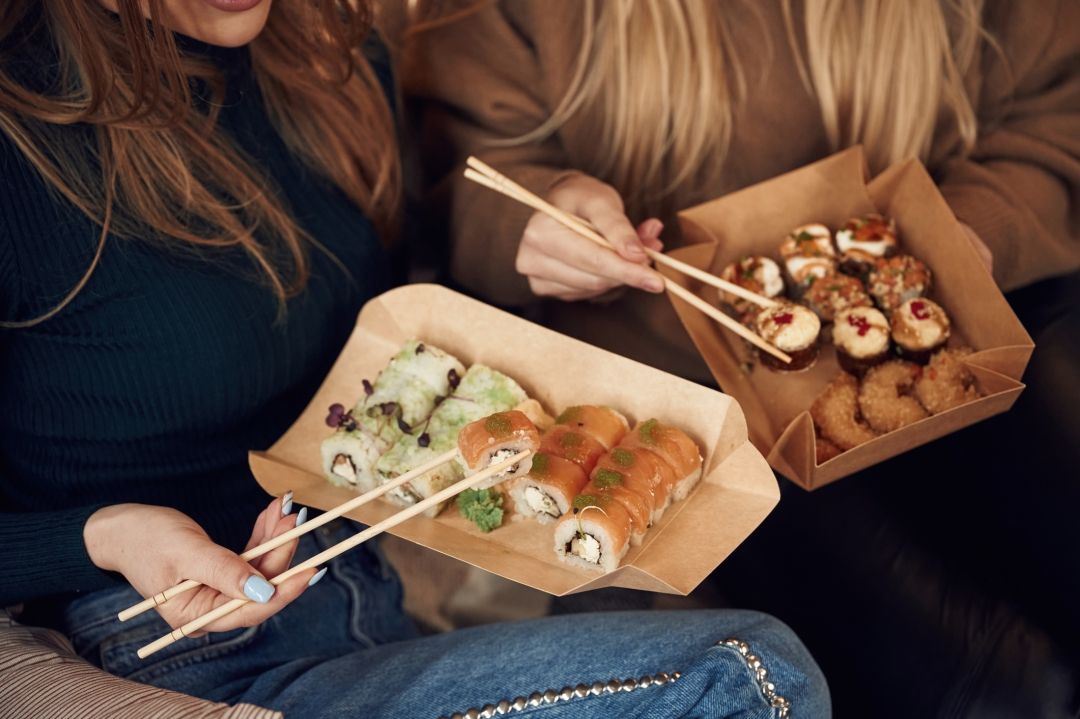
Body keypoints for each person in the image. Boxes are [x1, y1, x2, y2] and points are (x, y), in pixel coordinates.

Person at [0, 2, 831, 717]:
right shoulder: (18, 140)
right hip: (172, 658)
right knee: (749, 672)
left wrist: (541, 224)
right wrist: (100, 535)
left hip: (367, 596)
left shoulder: (325, 53)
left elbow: (395, 256)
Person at [404, 1, 1080, 716]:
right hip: (690, 401)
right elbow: (462, 178)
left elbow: (1055, 117)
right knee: (999, 687)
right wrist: (541, 216)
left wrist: (971, 229)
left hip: (970, 325)